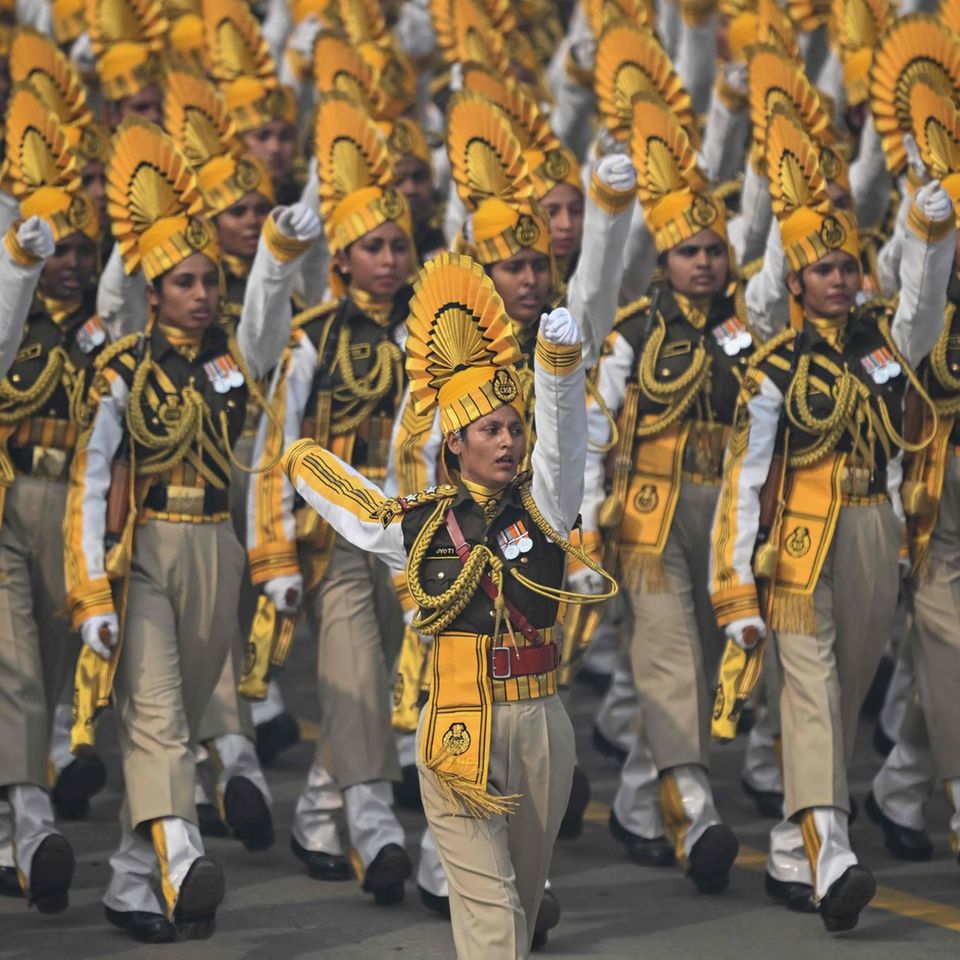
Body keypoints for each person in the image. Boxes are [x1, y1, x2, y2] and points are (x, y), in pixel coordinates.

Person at [282, 249, 613, 959]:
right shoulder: (426, 524)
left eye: (513, 428)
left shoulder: (547, 509)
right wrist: (301, 458)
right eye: (490, 430)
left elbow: (564, 449)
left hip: (541, 716)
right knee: (489, 907)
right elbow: (363, 511)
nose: (507, 441)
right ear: (454, 443)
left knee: (520, 899)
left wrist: (558, 375)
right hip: (459, 717)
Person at [709, 107, 955, 932]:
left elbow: (921, 308)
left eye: (849, 266)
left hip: (874, 530)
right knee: (810, 688)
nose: (840, 279)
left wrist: (926, 228)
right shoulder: (775, 366)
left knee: (840, 695)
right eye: (823, 269)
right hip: (798, 547)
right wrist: (737, 587)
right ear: (798, 282)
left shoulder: (885, 346)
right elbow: (747, 480)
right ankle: (831, 849)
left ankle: (793, 836)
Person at [63, 119, 291, 943]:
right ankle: (183, 854)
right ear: (153, 290)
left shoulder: (232, 360)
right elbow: (90, 485)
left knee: (185, 718)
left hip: (219, 548)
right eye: (184, 281)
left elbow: (269, 324)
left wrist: (277, 255)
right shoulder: (120, 367)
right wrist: (90, 591)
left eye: (209, 280)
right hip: (146, 550)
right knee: (155, 712)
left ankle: (132, 881)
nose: (202, 292)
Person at [247, 91, 417, 902]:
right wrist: (275, 549)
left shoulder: (431, 331)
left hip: (412, 537)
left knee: (371, 678)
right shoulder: (313, 335)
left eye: (398, 245)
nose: (389, 259)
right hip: (335, 537)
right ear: (342, 260)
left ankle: (319, 810)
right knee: (351, 666)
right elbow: (277, 448)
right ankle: (376, 825)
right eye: (372, 248)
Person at [581, 94, 748, 892]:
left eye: (714, 248)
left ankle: (638, 807)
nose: (704, 262)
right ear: (663, 259)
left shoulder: (747, 328)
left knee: (698, 666)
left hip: (722, 519)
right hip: (646, 515)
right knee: (669, 660)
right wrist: (587, 524)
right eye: (688, 250)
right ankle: (692, 808)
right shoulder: (632, 333)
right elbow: (590, 432)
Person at [0, 84, 96, 912]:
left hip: (74, 510)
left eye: (81, 247)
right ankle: (32, 824)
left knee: (55, 671)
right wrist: (16, 268)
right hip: (9, 499)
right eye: (58, 248)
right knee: (18, 670)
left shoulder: (105, 324)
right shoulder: (15, 314)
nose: (71, 259)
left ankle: (18, 815)